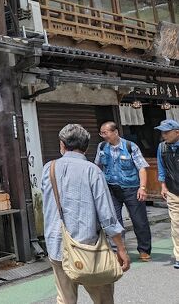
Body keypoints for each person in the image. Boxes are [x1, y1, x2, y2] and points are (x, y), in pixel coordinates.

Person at [42, 124, 130, 304]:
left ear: (62, 145)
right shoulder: (92, 170)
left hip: (58, 245)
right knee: (103, 299)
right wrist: (120, 248)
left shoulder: (48, 168)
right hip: (89, 248)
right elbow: (107, 215)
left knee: (66, 299)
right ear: (86, 147)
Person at [95, 121, 152, 261]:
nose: (103, 136)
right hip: (111, 189)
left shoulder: (130, 146)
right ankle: (119, 251)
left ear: (115, 132)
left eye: (105, 132)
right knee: (114, 221)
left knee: (139, 220)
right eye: (101, 133)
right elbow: (97, 167)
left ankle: (144, 250)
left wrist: (142, 188)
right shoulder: (102, 147)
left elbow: (142, 168)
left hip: (132, 189)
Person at [155, 119, 179, 269]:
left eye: (166, 132)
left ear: (177, 132)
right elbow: (161, 168)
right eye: (162, 132)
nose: (163, 135)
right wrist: (163, 186)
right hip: (173, 191)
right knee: (176, 225)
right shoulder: (162, 147)